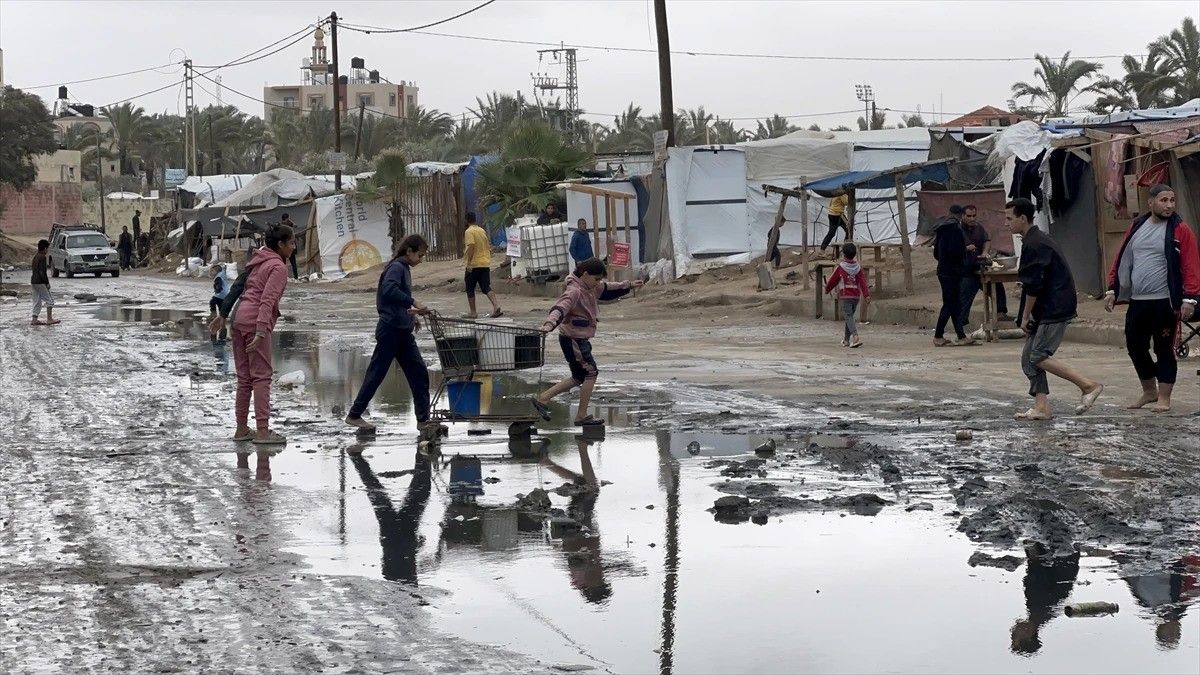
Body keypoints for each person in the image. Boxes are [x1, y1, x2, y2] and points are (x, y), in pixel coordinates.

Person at [1105, 183, 1200, 412]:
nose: (1169, 205)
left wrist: (1189, 298)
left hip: (1165, 301)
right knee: (1134, 345)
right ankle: (1149, 391)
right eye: (1164, 200)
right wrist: (1112, 289)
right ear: (1151, 202)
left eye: (1172, 201)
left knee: (1164, 348)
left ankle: (1164, 398)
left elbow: (1190, 264)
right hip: (1138, 300)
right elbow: (1122, 258)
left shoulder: (1180, 229)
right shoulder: (1137, 226)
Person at [1007, 198, 1103, 421]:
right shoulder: (1034, 240)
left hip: (1054, 307)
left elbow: (1033, 286)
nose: (1006, 223)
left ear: (1023, 218)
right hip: (1048, 306)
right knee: (1028, 359)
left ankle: (1088, 385)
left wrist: (1024, 316)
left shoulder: (1035, 244)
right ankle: (1042, 407)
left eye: (1009, 218)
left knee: (1039, 355)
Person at [530, 258, 642, 427]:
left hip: (577, 338)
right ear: (585, 274)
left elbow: (608, 289)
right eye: (596, 279)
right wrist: (549, 324)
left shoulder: (590, 287)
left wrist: (630, 285)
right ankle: (581, 416)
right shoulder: (574, 290)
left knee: (578, 376)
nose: (598, 283)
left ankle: (544, 398)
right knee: (591, 373)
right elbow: (560, 308)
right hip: (573, 339)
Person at [345, 234, 433, 432]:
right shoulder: (396, 267)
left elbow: (397, 297)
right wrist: (413, 302)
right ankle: (354, 414)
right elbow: (389, 291)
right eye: (420, 255)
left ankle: (423, 420)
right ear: (409, 251)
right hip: (390, 331)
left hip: (402, 330)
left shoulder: (404, 268)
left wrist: (412, 316)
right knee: (376, 374)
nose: (421, 259)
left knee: (419, 372)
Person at [229, 223, 294, 445]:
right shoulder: (278, 268)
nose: (294, 247)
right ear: (281, 244)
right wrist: (261, 330)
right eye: (292, 243)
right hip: (254, 322)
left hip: (238, 320)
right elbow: (267, 299)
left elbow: (243, 289)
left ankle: (241, 429)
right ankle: (263, 432)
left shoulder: (257, 261)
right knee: (262, 377)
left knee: (245, 378)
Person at [957, 205, 1011, 328]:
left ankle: (1001, 313)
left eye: (974, 216)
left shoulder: (978, 228)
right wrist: (965, 248)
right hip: (966, 271)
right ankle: (960, 327)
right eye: (969, 216)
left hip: (980, 267)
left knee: (997, 287)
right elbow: (953, 249)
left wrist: (984, 252)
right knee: (965, 298)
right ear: (963, 216)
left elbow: (986, 240)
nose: (972, 218)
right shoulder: (958, 229)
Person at [932, 205, 973, 346]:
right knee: (950, 304)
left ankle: (961, 336)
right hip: (953, 272)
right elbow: (956, 252)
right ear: (961, 215)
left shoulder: (941, 229)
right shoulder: (955, 229)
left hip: (943, 270)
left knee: (954, 304)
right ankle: (938, 336)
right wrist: (964, 255)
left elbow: (936, 253)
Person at [824, 242, 870, 348]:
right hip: (856, 296)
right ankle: (846, 340)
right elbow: (863, 282)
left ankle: (855, 336)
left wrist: (827, 289)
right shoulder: (858, 268)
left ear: (843, 254)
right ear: (854, 254)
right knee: (849, 317)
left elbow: (833, 281)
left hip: (845, 296)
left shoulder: (841, 267)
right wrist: (866, 295)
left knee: (848, 316)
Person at [462, 212, 502, 318]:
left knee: (470, 289)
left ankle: (473, 312)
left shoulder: (469, 231)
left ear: (466, 220)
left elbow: (471, 247)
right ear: (475, 219)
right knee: (485, 287)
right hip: (485, 263)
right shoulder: (481, 230)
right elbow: (487, 245)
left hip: (474, 264)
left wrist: (469, 263)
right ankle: (496, 305)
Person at [30, 239, 59, 326]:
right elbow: (42, 272)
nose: (47, 251)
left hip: (33, 281)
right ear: (45, 248)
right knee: (49, 300)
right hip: (40, 282)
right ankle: (49, 319)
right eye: (48, 249)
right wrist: (46, 282)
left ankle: (34, 320)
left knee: (37, 301)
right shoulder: (42, 257)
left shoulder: (36, 256)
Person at [209, 264, 231, 344]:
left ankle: (213, 313)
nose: (211, 272)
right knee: (223, 314)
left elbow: (219, 285)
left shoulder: (218, 277)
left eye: (212, 271)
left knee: (212, 301)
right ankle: (223, 331)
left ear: (216, 271)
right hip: (225, 296)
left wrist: (218, 290)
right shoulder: (222, 275)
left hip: (220, 295)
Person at [280, 213, 299, 279]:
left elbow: (295, 226)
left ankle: (284, 276)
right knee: (292, 262)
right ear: (287, 218)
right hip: (288, 246)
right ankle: (295, 277)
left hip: (284, 247)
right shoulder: (286, 225)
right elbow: (295, 226)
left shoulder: (281, 225)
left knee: (284, 263)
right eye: (288, 218)